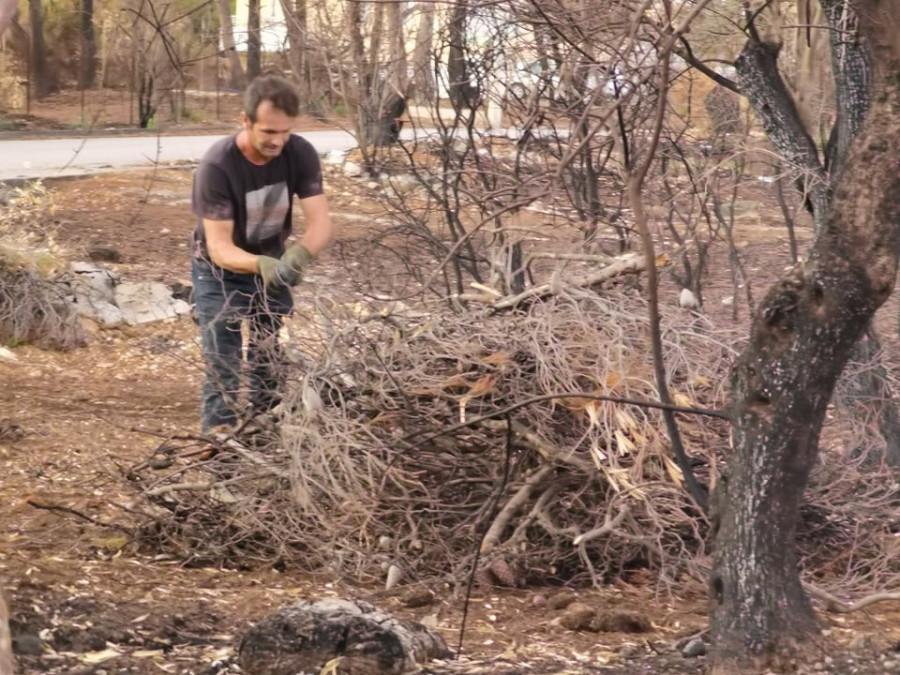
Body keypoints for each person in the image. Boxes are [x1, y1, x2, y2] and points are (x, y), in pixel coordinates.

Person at [190, 74, 334, 433]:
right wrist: (260, 264)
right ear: (245, 121)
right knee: (223, 361)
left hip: (273, 262)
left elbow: (321, 223)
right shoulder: (217, 167)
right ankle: (219, 446)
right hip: (218, 271)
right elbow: (219, 247)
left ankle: (264, 435)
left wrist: (299, 254)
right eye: (269, 132)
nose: (278, 141)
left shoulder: (299, 152)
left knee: (268, 359)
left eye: (285, 131)